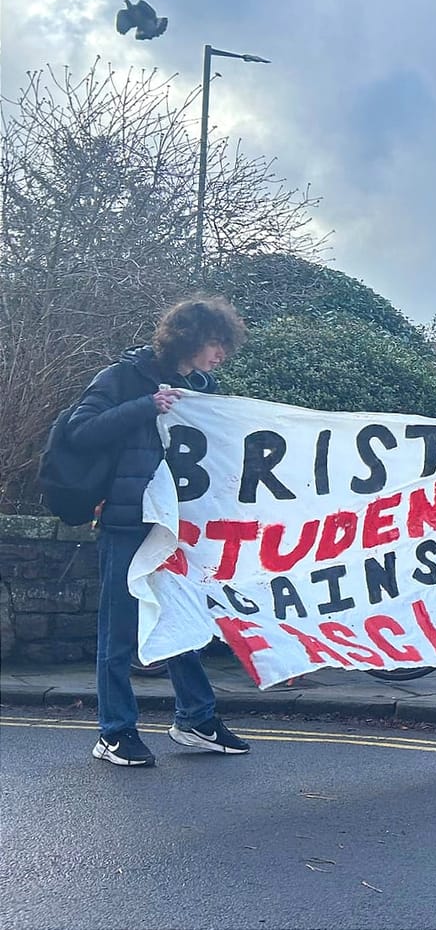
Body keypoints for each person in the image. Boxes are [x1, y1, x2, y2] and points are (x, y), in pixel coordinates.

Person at [66, 296, 251, 767]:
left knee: (183, 619)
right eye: (215, 343)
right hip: (129, 522)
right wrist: (144, 407)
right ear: (189, 338)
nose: (221, 354)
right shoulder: (123, 378)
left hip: (182, 527)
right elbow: (79, 432)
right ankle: (115, 732)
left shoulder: (203, 389)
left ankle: (195, 718)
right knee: (119, 629)